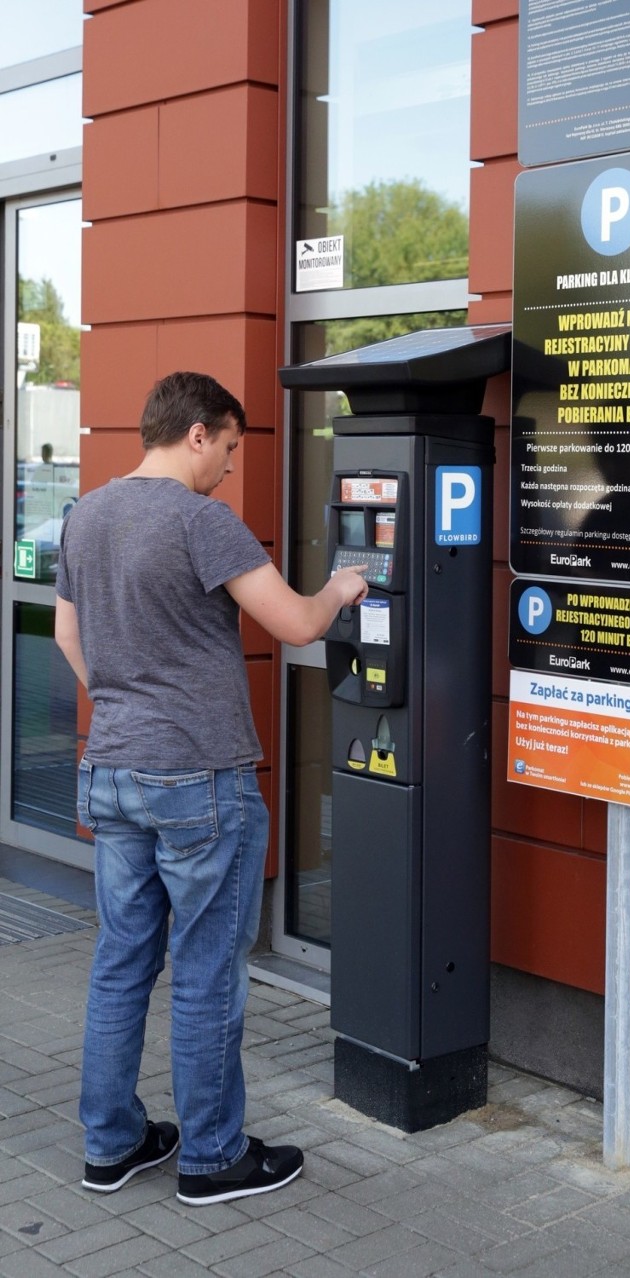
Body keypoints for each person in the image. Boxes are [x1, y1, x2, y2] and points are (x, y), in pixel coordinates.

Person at [54, 370, 369, 1206]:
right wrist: (343, 585)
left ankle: (112, 1146)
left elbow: (64, 632)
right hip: (198, 776)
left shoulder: (85, 513)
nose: (230, 467)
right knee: (205, 970)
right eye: (229, 448)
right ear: (198, 432)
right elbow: (298, 623)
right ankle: (213, 1157)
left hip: (112, 769)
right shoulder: (202, 521)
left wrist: (121, 702)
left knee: (121, 963)